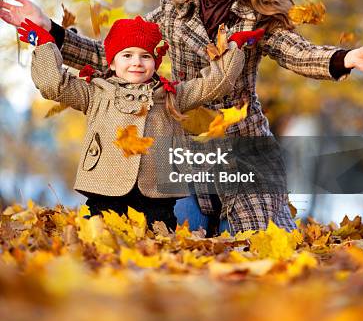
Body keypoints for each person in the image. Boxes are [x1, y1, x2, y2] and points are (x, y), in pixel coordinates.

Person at [1, 0, 363, 235]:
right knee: (178, 245)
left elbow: (297, 53)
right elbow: (117, 59)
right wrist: (50, 30)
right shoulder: (173, 10)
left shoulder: (258, 18)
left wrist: (345, 58)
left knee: (264, 245)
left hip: (242, 146)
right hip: (181, 148)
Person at [17, 15, 258, 230]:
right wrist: (46, 45)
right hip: (105, 186)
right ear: (111, 62)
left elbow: (214, 84)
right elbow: (54, 85)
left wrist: (234, 47)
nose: (136, 62)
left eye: (145, 56)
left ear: (155, 62)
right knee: (101, 237)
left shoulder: (171, 96)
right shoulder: (95, 92)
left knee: (159, 238)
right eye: (127, 55)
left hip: (156, 192)